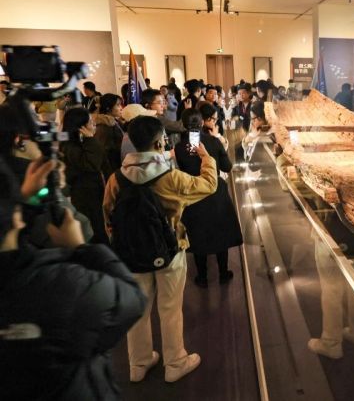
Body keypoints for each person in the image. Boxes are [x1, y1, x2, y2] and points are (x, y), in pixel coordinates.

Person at [0, 157, 146, 400]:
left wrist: (23, 202)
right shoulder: (60, 286)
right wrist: (80, 248)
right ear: (16, 218)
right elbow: (132, 298)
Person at [103, 116, 217, 383]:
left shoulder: (116, 179)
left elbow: (108, 217)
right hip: (170, 251)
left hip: (130, 254)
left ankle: (139, 363)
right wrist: (206, 157)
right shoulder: (171, 177)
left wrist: (124, 244)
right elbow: (209, 184)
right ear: (159, 143)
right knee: (169, 308)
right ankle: (175, 363)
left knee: (138, 309)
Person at [175, 108, 241, 287]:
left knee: (198, 234)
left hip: (193, 192)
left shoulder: (179, 147)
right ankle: (223, 273)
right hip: (215, 191)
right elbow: (227, 167)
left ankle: (202, 277)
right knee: (220, 231)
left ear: (183, 125)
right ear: (202, 122)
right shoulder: (213, 141)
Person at [60, 107, 108, 245]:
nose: (94, 124)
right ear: (81, 127)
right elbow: (92, 164)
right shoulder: (70, 146)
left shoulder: (80, 142)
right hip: (85, 194)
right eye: (90, 122)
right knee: (96, 228)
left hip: (92, 191)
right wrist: (90, 139)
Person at [93, 93, 125, 178]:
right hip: (112, 169)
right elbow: (104, 151)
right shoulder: (103, 126)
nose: (121, 108)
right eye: (118, 105)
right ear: (108, 108)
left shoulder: (114, 122)